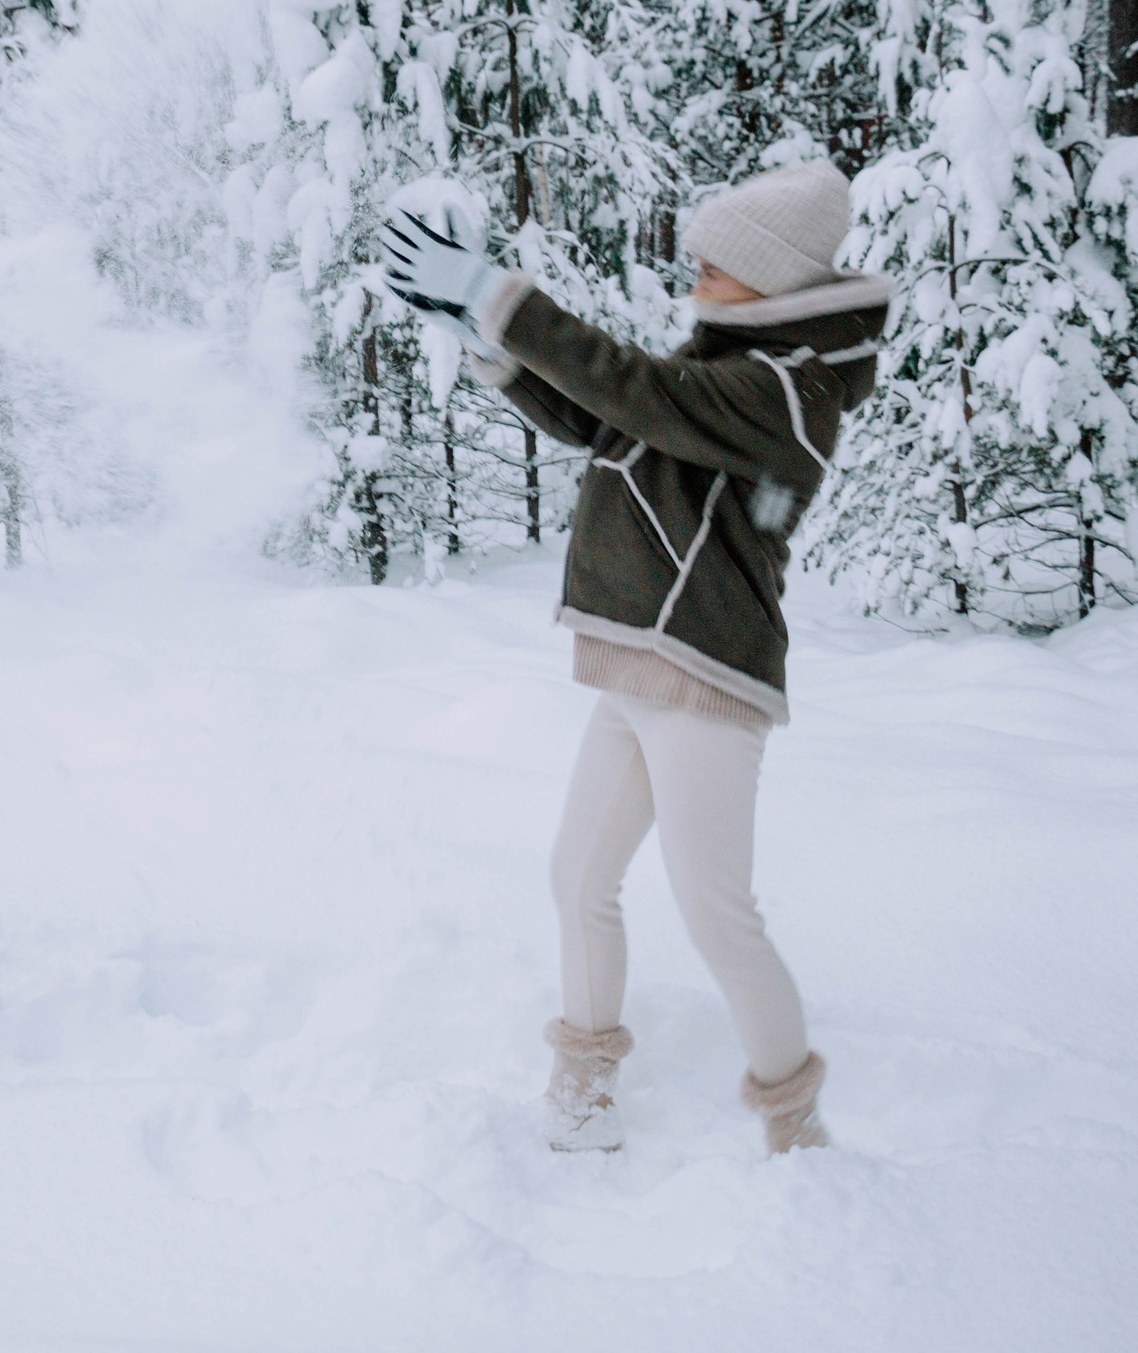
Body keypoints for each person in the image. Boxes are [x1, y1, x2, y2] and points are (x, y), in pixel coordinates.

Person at [381, 159, 892, 1156]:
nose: (695, 268)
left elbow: (637, 390)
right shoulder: (730, 362)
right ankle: (581, 1102)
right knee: (578, 878)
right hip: (639, 663)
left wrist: (496, 293)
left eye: (719, 260)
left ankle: (797, 1133)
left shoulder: (789, 390)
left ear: (772, 277)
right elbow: (605, 416)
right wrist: (479, 332)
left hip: (704, 678)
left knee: (716, 916)